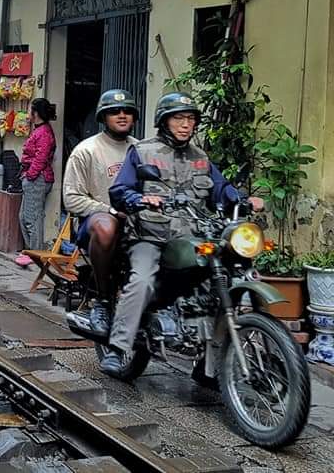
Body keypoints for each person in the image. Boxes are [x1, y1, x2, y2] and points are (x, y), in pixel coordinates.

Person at [104, 92, 264, 377]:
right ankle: (117, 348)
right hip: (150, 236)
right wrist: (140, 199)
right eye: (179, 118)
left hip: (193, 237)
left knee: (221, 280)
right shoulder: (143, 151)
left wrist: (242, 199)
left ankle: (207, 366)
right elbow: (119, 191)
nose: (185, 124)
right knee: (141, 280)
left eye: (190, 118)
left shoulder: (200, 157)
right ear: (164, 121)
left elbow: (221, 188)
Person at [62, 89, 139, 336]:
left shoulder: (142, 149)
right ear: (103, 116)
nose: (122, 115)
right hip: (96, 226)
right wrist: (110, 210)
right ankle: (103, 300)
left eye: (127, 110)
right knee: (107, 225)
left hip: (138, 224)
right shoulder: (87, 150)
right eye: (115, 111)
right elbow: (72, 199)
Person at [16, 98, 57, 264]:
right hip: (33, 177)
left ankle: (34, 253)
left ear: (36, 113)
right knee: (23, 216)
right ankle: (30, 250)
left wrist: (30, 176)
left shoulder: (44, 132)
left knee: (33, 218)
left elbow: (40, 158)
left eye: (29, 110)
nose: (27, 114)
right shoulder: (39, 130)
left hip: (38, 178)